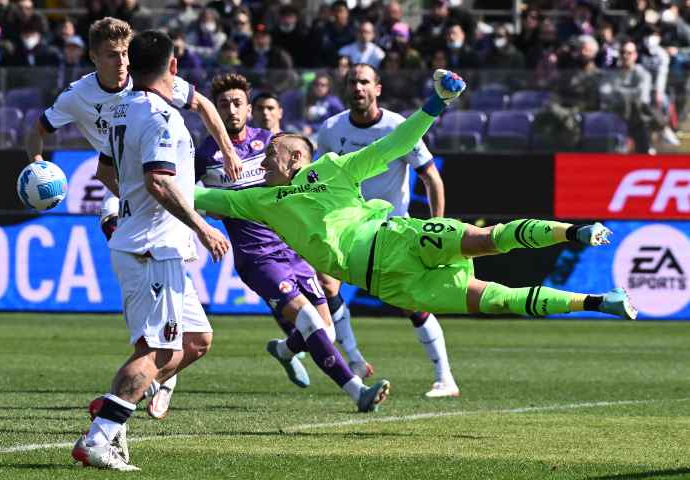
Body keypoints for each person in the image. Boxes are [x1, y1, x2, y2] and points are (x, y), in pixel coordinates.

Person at [193, 71, 638, 363]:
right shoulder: (256, 201)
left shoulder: (332, 168)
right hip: (394, 284)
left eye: (269, 156)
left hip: (399, 239)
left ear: (292, 158)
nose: (260, 164)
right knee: (499, 299)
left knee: (489, 240)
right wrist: (142, 174)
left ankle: (576, 230)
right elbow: (198, 195)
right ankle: (600, 302)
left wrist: (436, 103)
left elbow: (395, 143)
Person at [26, 17, 242, 430]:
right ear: (93, 58)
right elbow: (42, 133)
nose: (121, 62)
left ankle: (127, 395)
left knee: (197, 341)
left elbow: (204, 108)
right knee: (156, 344)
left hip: (148, 197)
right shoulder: (83, 97)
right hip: (140, 210)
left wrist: (228, 151)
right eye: (112, 55)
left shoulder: (146, 91)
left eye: (126, 53)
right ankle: (110, 424)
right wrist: (37, 166)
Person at [70, 30, 232, 471]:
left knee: (196, 342)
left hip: (155, 245)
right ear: (173, 67)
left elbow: (107, 168)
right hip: (153, 249)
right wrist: (202, 227)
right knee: (157, 351)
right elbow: (159, 181)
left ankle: (114, 404)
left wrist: (133, 203)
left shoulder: (121, 109)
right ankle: (99, 438)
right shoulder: (162, 118)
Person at [196, 72, 390, 413]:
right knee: (311, 323)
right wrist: (202, 224)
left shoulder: (271, 143)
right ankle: (358, 392)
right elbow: (189, 197)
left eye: (237, 103)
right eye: (223, 105)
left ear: (249, 107)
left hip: (293, 247)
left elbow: (305, 182)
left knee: (325, 333)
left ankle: (285, 350)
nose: (231, 111)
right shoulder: (205, 154)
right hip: (257, 257)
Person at [315, 63, 457, 398]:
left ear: (377, 88)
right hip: (346, 228)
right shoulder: (330, 130)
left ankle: (445, 377)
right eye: (352, 82)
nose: (357, 88)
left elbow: (431, 177)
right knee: (325, 282)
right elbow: (320, 179)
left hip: (391, 230)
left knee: (411, 303)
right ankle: (355, 360)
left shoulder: (399, 128)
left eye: (364, 82)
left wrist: (438, 228)